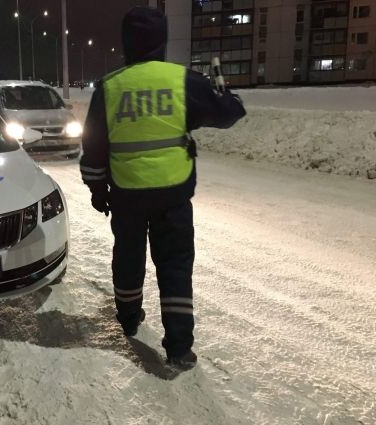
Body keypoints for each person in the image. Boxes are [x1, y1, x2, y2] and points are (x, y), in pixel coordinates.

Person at [79, 6, 246, 370]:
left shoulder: (110, 87)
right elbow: (228, 113)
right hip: (172, 195)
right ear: (162, 40)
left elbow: (93, 148)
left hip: (126, 195)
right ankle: (179, 348)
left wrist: (96, 189)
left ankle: (127, 318)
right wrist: (224, 90)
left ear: (127, 42)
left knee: (128, 258)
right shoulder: (181, 80)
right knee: (175, 267)